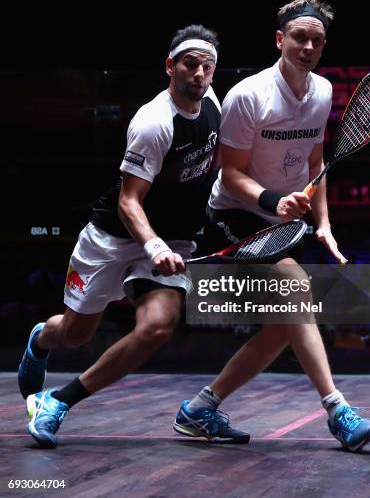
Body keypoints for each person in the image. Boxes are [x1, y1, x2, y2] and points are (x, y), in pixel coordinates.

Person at [18, 24, 249, 448]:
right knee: (75, 335)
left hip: (173, 239)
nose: (199, 73)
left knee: (158, 326)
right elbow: (129, 202)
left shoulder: (213, 104)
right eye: (190, 64)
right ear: (170, 66)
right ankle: (40, 339)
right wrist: (154, 245)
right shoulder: (153, 123)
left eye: (207, 66)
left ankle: (58, 401)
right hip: (112, 237)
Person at [173, 0, 370, 451]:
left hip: (285, 220)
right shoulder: (249, 95)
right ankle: (337, 410)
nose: (308, 46)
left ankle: (200, 408)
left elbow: (315, 161)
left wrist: (323, 222)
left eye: (317, 40)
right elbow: (229, 173)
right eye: (300, 37)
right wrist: (273, 200)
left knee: (284, 326)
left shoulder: (323, 93)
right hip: (234, 214)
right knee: (297, 287)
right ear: (280, 39)